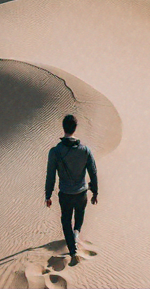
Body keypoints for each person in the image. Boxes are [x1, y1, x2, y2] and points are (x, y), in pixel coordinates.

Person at [45, 114, 98, 265]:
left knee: (66, 220)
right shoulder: (85, 150)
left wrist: (48, 195)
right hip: (81, 193)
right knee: (79, 215)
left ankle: (73, 250)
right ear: (75, 128)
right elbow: (93, 172)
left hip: (66, 194)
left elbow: (50, 176)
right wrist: (95, 192)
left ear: (64, 128)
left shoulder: (55, 152)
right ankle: (76, 234)